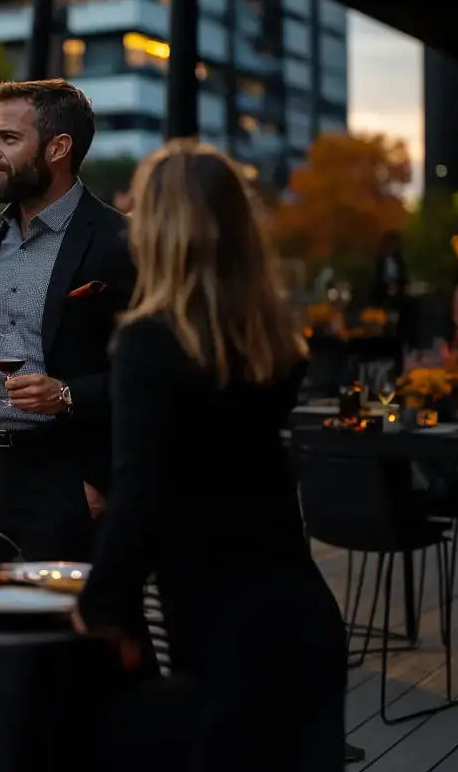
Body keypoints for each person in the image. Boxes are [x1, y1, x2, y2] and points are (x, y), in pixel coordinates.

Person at [75, 139, 345, 770]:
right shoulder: (271, 342)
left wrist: (98, 610)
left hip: (224, 625)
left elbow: (139, 490)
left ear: (161, 229)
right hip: (300, 611)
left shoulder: (149, 342)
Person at [0, 78, 135, 561]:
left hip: (71, 480)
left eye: (8, 139)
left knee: (67, 632)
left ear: (58, 148)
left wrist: (68, 397)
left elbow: (150, 373)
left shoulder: (120, 241)